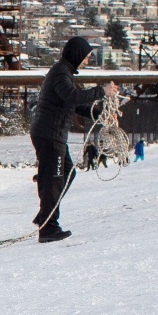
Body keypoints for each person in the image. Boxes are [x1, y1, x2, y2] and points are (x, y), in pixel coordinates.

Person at [29, 37, 119, 244]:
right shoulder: (61, 74)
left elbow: (72, 104)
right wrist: (101, 91)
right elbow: (72, 97)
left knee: (66, 172)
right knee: (54, 178)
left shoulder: (63, 73)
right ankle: (49, 227)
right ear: (77, 55)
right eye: (86, 57)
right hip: (50, 135)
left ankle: (45, 215)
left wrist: (98, 114)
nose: (86, 61)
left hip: (51, 134)